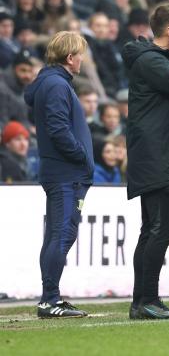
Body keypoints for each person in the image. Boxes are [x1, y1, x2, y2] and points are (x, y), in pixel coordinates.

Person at [122, 3, 169, 320]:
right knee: (163, 226)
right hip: (157, 155)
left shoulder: (155, 59)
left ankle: (142, 300)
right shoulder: (151, 60)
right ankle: (147, 299)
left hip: (159, 153)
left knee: (151, 228)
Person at [24, 31, 94, 318]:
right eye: (80, 55)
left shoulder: (50, 82)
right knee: (62, 234)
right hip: (66, 173)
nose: (82, 61)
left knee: (57, 234)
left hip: (63, 172)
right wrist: (81, 156)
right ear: (70, 57)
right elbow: (57, 128)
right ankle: (49, 299)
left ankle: (49, 297)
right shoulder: (56, 85)